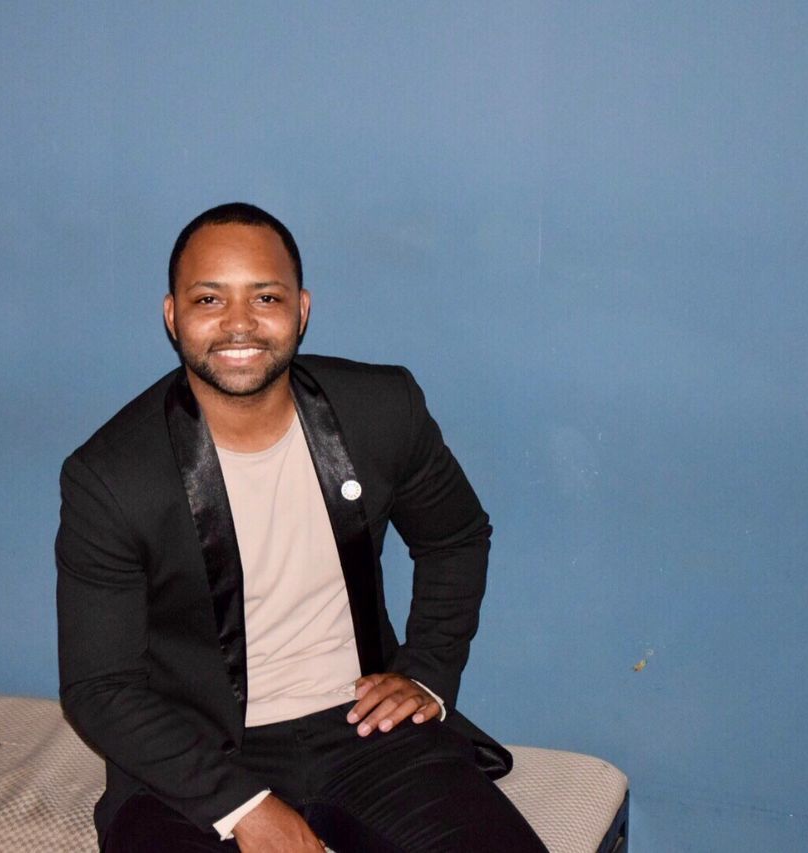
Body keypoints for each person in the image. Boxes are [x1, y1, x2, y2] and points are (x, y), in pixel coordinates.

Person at [56, 203, 545, 852]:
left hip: (365, 729)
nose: (239, 323)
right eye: (209, 298)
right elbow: (101, 687)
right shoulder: (113, 476)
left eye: (265, 296)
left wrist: (425, 671)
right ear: (173, 316)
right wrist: (244, 805)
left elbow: (455, 536)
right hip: (193, 753)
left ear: (302, 309)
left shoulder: (381, 411)